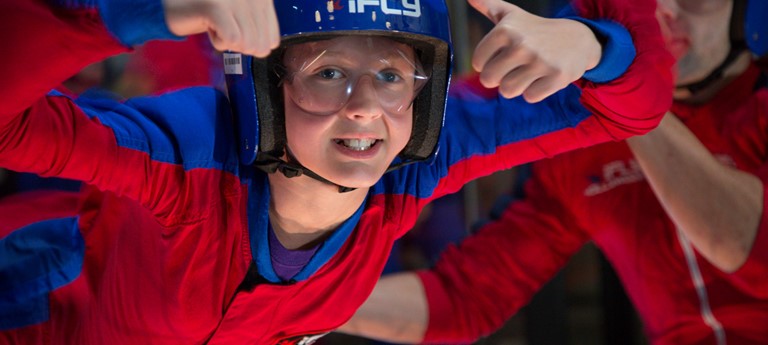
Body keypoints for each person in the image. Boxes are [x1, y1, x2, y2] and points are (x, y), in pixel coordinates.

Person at [0, 0, 672, 343]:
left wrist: (595, 47)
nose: (365, 110)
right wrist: (148, 10)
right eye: (329, 73)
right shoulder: (189, 152)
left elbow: (635, 107)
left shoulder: (418, 160)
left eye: (389, 75)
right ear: (266, 88)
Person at [339, 0, 768, 344]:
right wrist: (302, 301)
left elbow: (749, 252)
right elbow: (466, 298)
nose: (665, 12)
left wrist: (623, 78)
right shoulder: (577, 153)